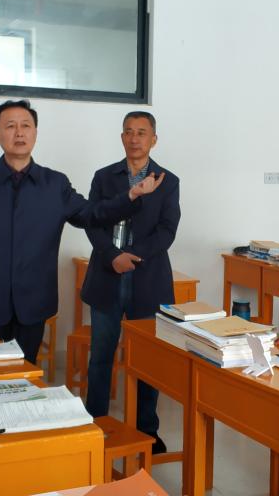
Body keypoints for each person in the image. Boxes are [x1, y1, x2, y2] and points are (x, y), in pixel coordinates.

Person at [0, 100, 165, 364]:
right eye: (10, 126)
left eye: (26, 125)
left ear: (35, 133)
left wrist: (130, 196)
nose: (19, 132)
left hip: (32, 305)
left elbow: (92, 214)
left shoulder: (55, 184)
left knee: (24, 378)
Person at [81, 111, 179, 454]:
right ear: (122, 137)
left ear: (154, 139)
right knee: (101, 357)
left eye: (141, 132)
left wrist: (132, 256)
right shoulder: (104, 177)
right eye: (128, 132)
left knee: (147, 362)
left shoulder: (168, 181)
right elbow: (92, 221)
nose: (134, 138)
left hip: (147, 279)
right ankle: (96, 424)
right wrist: (112, 256)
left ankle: (147, 430)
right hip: (107, 276)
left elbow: (167, 230)